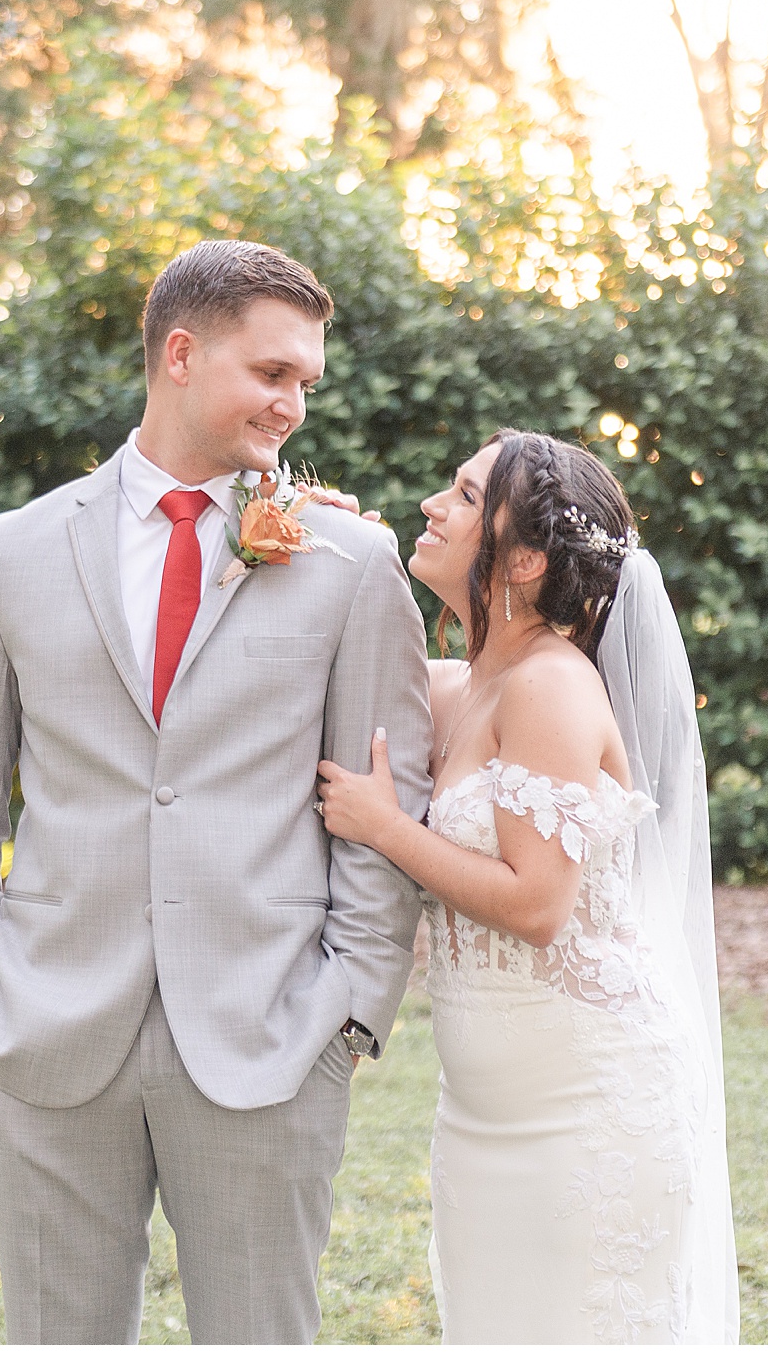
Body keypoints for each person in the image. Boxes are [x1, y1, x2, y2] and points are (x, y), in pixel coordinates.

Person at [0, 239, 432, 1344]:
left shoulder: (351, 562)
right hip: (39, 1029)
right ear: (181, 354)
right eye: (272, 374)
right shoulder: (9, 555)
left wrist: (349, 1007)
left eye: (305, 383)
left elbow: (389, 804)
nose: (294, 404)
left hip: (273, 1034)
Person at [317, 429, 739, 1344]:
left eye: (465, 497)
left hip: (586, 1109)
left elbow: (538, 905)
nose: (432, 505)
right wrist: (313, 538)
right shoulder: (458, 686)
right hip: (482, 1117)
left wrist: (386, 828)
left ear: (525, 560)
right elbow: (324, 670)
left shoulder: (550, 686)